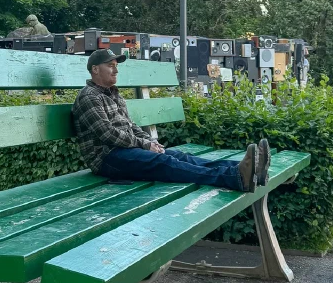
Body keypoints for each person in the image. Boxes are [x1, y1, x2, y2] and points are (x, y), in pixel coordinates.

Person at [72, 48, 270, 192]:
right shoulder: (89, 97)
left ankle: (245, 169)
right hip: (107, 158)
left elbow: (130, 126)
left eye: (116, 66)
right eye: (110, 66)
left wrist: (150, 142)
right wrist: (144, 144)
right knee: (164, 162)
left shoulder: (113, 94)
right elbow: (108, 134)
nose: (115, 71)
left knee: (180, 157)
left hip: (126, 151)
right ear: (95, 69)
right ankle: (235, 178)